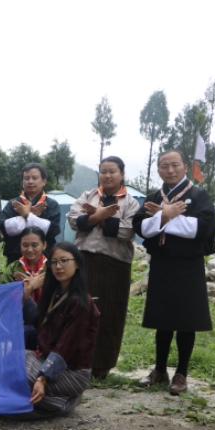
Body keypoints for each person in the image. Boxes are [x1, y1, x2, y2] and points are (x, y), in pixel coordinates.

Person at [133, 150, 215, 395]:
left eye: (175, 165)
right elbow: (140, 227)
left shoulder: (199, 196)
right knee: (163, 319)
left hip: (188, 265)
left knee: (186, 320)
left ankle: (181, 373)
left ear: (185, 167)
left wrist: (163, 218)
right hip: (162, 264)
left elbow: (204, 227)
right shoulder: (153, 196)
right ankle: (159, 370)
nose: (170, 170)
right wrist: (165, 215)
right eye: (164, 166)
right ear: (158, 169)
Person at [68, 156, 140, 380]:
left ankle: (102, 365)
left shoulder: (130, 202)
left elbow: (128, 231)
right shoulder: (88, 195)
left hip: (115, 264)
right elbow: (73, 219)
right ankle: (78, 361)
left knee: (111, 314)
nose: (107, 176)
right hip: (84, 260)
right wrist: (99, 216)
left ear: (122, 174)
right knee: (81, 311)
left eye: (112, 171)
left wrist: (96, 217)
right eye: (103, 171)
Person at [22, 242, 99, 419]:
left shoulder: (82, 304)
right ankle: (54, 401)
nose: (58, 266)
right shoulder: (54, 293)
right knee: (7, 362)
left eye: (64, 261)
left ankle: (60, 404)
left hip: (71, 372)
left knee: (19, 375)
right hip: (44, 359)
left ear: (77, 264)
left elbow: (66, 346)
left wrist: (43, 378)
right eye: (54, 262)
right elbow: (37, 321)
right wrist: (27, 295)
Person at [0, 163, 60, 263]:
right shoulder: (13, 203)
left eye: (34, 178)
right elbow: (3, 228)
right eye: (26, 178)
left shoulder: (52, 205)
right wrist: (30, 215)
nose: (30, 181)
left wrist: (27, 215)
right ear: (22, 182)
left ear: (44, 181)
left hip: (44, 257)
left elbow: (53, 230)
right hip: (16, 256)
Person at [0, 227, 48, 350]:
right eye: (25, 245)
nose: (30, 249)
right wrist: (29, 288)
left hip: (48, 318)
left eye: (35, 245)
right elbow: (4, 299)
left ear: (44, 245)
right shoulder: (13, 268)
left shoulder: (52, 267)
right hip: (19, 320)